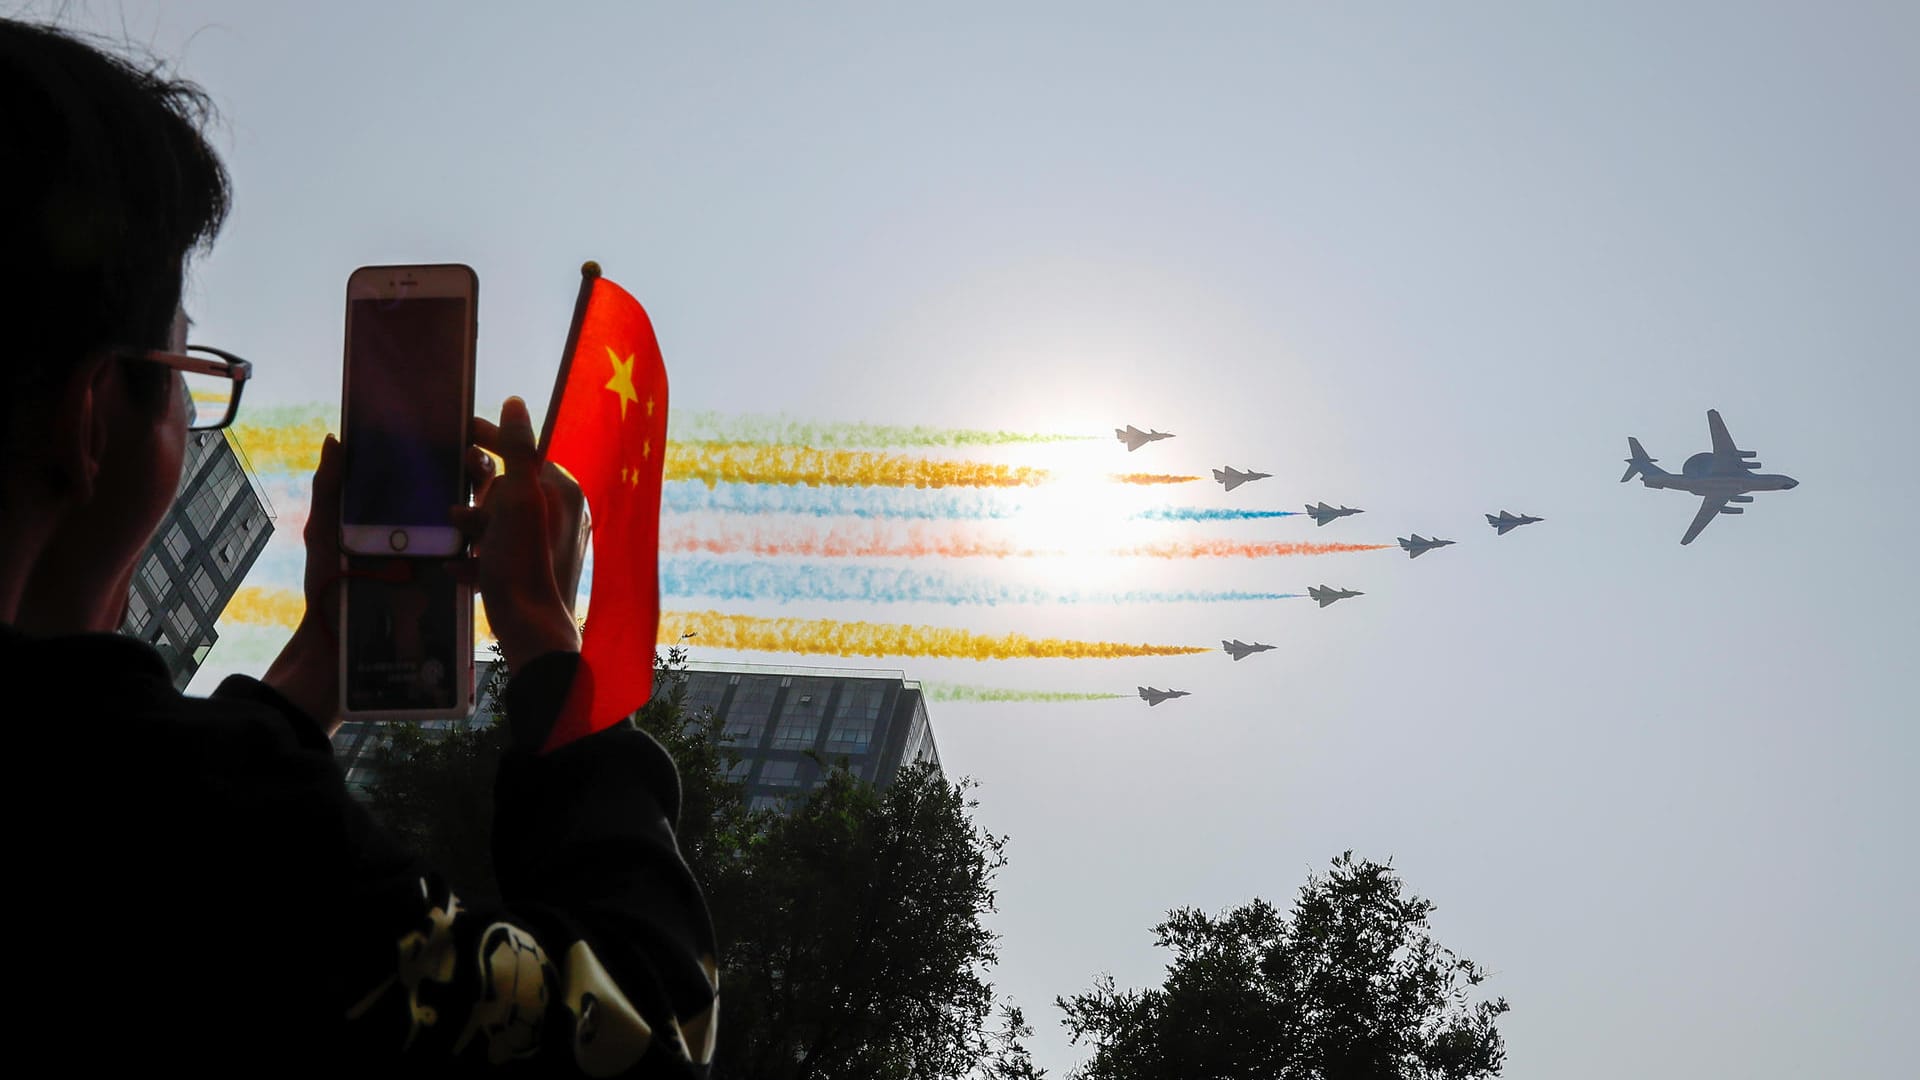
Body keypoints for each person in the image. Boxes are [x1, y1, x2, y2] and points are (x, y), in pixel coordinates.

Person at [0, 19, 717, 1074]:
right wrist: (544, 641)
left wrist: (328, 654)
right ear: (92, 415)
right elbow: (652, 1030)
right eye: (186, 377)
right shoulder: (204, 835)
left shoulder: (181, 804)